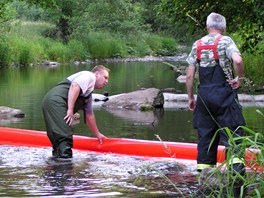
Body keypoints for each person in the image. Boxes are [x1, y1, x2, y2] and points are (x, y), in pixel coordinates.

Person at [186, 12, 246, 195]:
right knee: (234, 134)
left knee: (205, 137)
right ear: (224, 27)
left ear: (207, 26)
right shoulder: (226, 41)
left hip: (204, 97)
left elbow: (189, 75)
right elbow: (237, 60)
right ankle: (237, 182)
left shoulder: (197, 44)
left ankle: (203, 182)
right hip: (224, 95)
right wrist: (239, 78)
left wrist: (190, 97)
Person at [42, 65, 110, 159]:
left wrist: (97, 134)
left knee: (58, 140)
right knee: (64, 137)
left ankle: (57, 166)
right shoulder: (89, 75)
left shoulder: (88, 94)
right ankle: (65, 169)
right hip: (55, 101)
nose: (107, 81)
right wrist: (70, 109)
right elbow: (74, 86)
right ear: (97, 74)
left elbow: (89, 115)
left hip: (53, 103)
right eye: (105, 77)